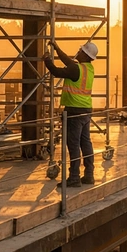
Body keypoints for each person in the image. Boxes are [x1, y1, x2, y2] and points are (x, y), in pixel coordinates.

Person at [44, 40, 100, 187]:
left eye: (81, 51)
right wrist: (56, 48)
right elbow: (69, 62)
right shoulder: (88, 69)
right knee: (85, 143)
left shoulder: (76, 69)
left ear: (86, 55)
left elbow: (56, 71)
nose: (78, 52)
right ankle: (89, 175)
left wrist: (47, 60)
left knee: (73, 144)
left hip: (74, 111)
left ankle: (74, 177)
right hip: (86, 110)